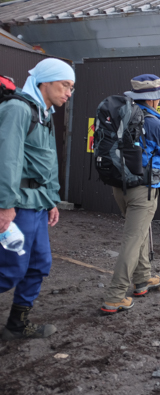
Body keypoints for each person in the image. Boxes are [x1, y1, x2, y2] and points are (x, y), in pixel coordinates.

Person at [101, 74, 160, 314]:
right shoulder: (153, 123)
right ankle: (115, 296)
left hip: (120, 187)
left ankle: (143, 279)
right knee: (132, 241)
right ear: (154, 99)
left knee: (140, 232)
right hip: (143, 191)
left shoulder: (121, 116)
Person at [0, 58, 75, 340]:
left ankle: (17, 325)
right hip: (17, 204)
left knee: (38, 264)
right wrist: (4, 206)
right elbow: (6, 160)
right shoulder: (18, 109)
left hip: (37, 204)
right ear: (45, 81)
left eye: (72, 87)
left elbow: (46, 161)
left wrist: (51, 199)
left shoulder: (43, 113)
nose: (69, 92)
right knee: (9, 270)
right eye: (64, 85)